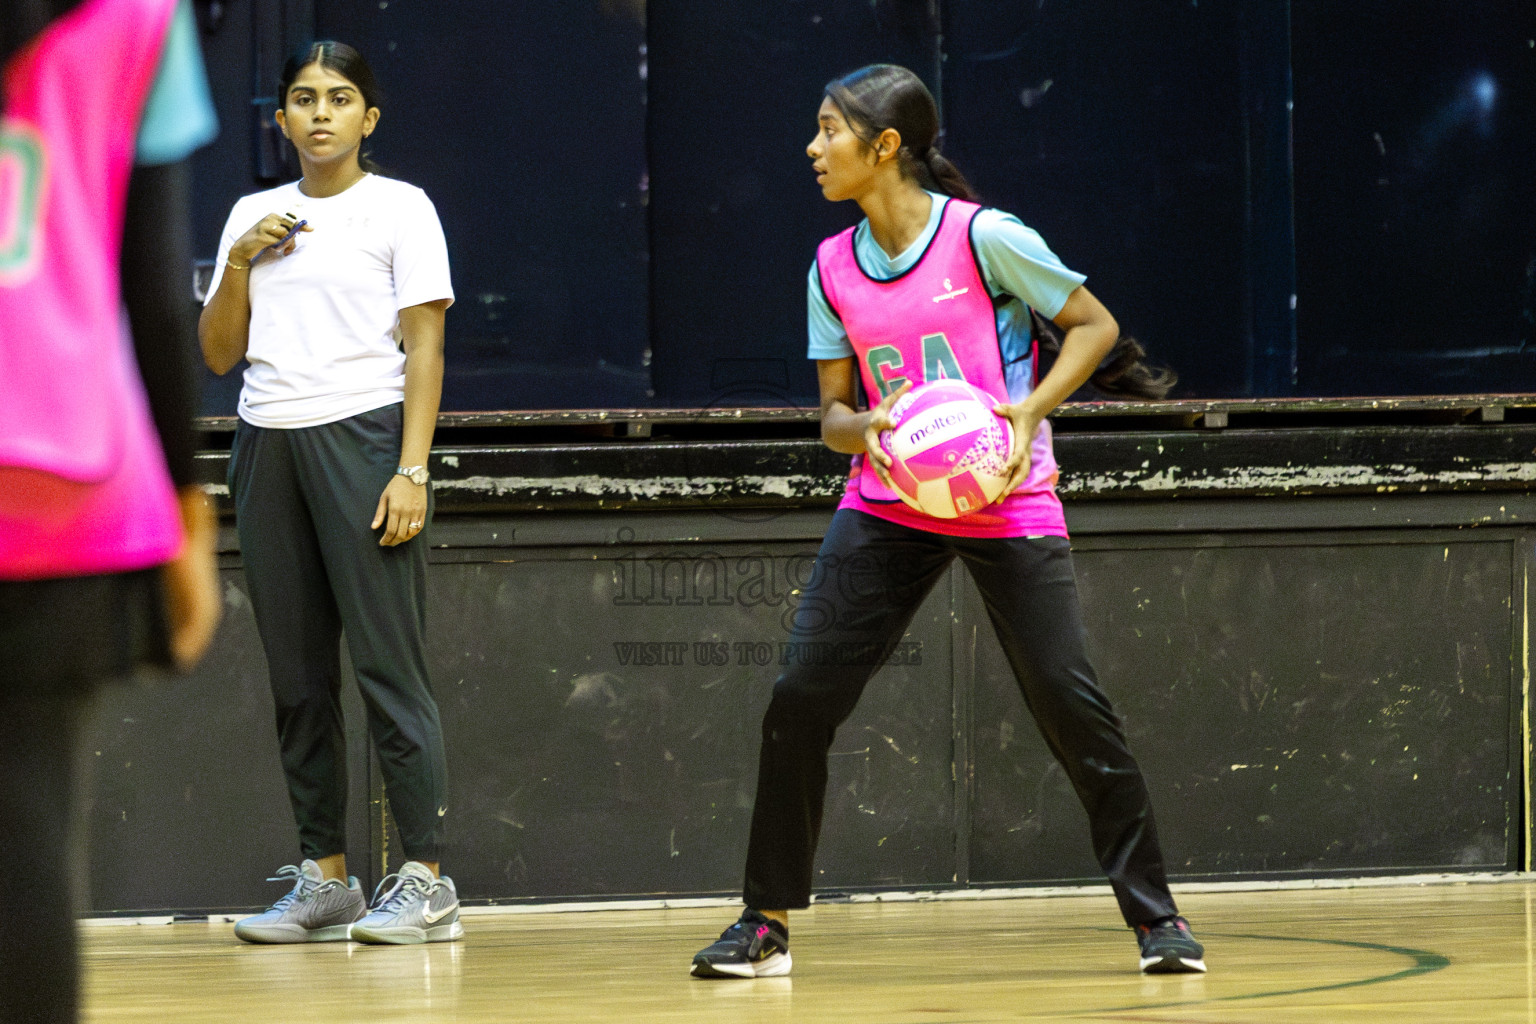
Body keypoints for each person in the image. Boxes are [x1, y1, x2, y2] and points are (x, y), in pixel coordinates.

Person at [690, 64, 1204, 979]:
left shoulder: (985, 238)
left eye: (828, 131)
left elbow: (1093, 326)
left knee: (1072, 708)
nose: (811, 149)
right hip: (889, 506)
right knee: (799, 699)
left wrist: (1029, 411)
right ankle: (764, 922)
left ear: (884, 147)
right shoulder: (831, 266)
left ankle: (1157, 922)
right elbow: (832, 417)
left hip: (1008, 498)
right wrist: (866, 429)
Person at [198, 41, 460, 946]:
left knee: (390, 670)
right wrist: (237, 262)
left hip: (366, 438)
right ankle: (328, 879)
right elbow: (218, 355)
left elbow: (424, 347)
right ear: (281, 120)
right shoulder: (253, 213)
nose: (320, 113)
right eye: (303, 99)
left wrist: (412, 468)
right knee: (298, 679)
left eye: (339, 98)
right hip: (267, 444)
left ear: (368, 118)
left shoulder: (402, 208)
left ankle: (426, 877)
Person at [0, 0, 222, 1019]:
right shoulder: (137, 15)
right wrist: (188, 510)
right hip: (56, 478)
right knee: (27, 838)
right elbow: (155, 281)